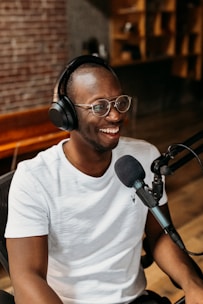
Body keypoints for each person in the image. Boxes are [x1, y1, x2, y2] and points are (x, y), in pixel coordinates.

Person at [4, 55, 203, 304]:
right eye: (99, 107)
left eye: (119, 102)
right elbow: (26, 277)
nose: (115, 116)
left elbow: (160, 236)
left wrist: (192, 283)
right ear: (66, 115)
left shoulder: (144, 157)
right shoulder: (34, 178)